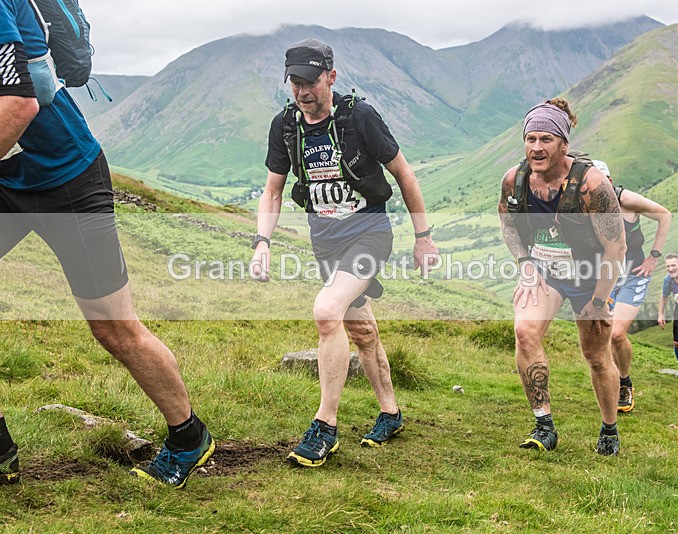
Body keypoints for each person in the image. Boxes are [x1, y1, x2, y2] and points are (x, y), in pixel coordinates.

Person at [0, 0, 213, 488]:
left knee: (115, 329)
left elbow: (21, 102)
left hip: (67, 179)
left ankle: (188, 436)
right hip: (8, 179)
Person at [250, 38, 438, 467]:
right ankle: (390, 412)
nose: (302, 92)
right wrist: (263, 243)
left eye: (310, 82)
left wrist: (423, 235)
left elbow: (404, 174)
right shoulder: (285, 127)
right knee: (362, 331)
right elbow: (273, 191)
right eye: (294, 83)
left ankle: (325, 426)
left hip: (369, 233)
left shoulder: (360, 117)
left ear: (331, 78)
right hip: (326, 242)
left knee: (325, 311)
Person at [498, 99, 627, 456]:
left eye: (546, 139)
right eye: (531, 138)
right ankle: (544, 426)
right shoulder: (515, 179)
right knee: (524, 333)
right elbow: (508, 227)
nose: (536, 147)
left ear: (563, 144)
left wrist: (599, 301)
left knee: (597, 355)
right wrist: (525, 263)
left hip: (590, 275)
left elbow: (616, 248)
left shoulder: (591, 185)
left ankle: (609, 429)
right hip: (545, 271)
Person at [593, 160, 671, 413]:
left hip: (633, 276)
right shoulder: (583, 206)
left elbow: (664, 215)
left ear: (610, 181)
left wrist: (654, 257)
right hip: (603, 279)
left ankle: (624, 383)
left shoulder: (627, 200)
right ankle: (611, 383)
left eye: (603, 182)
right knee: (602, 338)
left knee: (616, 334)